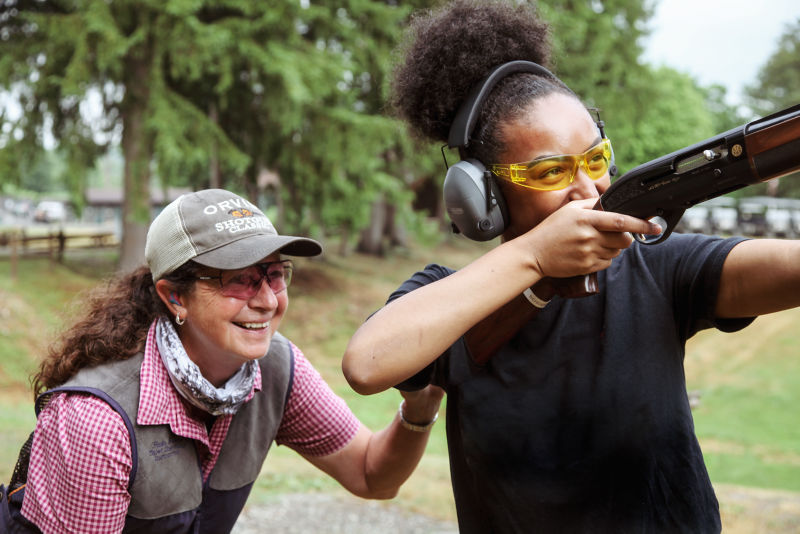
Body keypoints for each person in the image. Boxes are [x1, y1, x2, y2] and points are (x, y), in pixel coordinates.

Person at [341, 1, 800, 533]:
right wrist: (534, 257)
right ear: (484, 196)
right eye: (551, 171)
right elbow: (366, 364)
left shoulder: (659, 266)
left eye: (597, 160)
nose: (588, 189)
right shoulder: (450, 298)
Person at [0, 188, 443, 534]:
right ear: (175, 296)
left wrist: (419, 407)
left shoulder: (275, 368)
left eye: (275, 274)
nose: (268, 301)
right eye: (241, 281)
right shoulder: (97, 420)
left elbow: (373, 477)